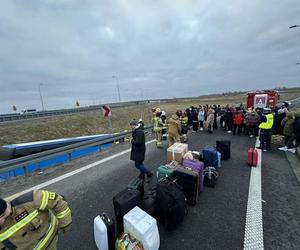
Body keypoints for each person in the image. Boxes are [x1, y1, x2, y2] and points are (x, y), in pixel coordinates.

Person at [0, 190, 72, 250]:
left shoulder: (28, 200)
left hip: (50, 241)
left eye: (3, 216)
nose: (1, 221)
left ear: (8, 205)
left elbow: (57, 201)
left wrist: (66, 223)